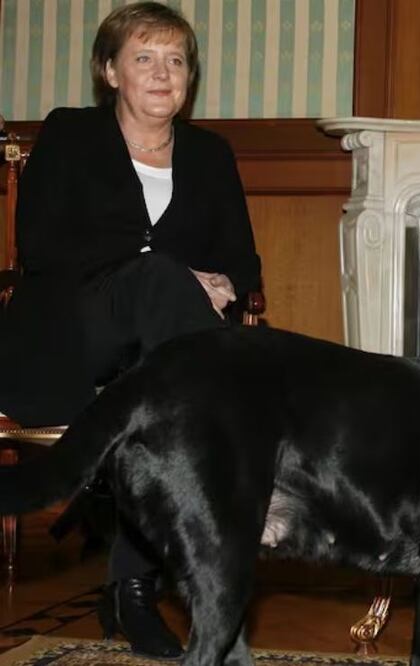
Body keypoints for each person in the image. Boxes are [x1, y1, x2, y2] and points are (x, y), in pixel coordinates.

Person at [0, 2, 260, 658]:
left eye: (176, 60)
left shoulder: (210, 154)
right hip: (69, 339)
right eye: (143, 57)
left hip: (160, 355)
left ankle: (132, 589)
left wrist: (218, 280)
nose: (162, 72)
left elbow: (243, 265)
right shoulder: (69, 135)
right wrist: (168, 271)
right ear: (110, 71)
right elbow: (42, 243)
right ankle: (215, 558)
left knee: (172, 412)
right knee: (196, 366)